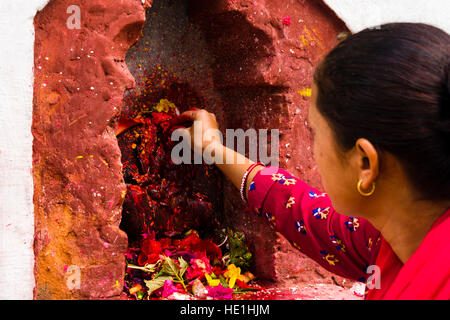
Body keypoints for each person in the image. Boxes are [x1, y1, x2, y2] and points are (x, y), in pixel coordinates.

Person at [173, 23, 450, 299]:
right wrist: (213, 148)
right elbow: (305, 213)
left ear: (365, 163)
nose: (314, 148)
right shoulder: (393, 230)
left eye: (314, 131)